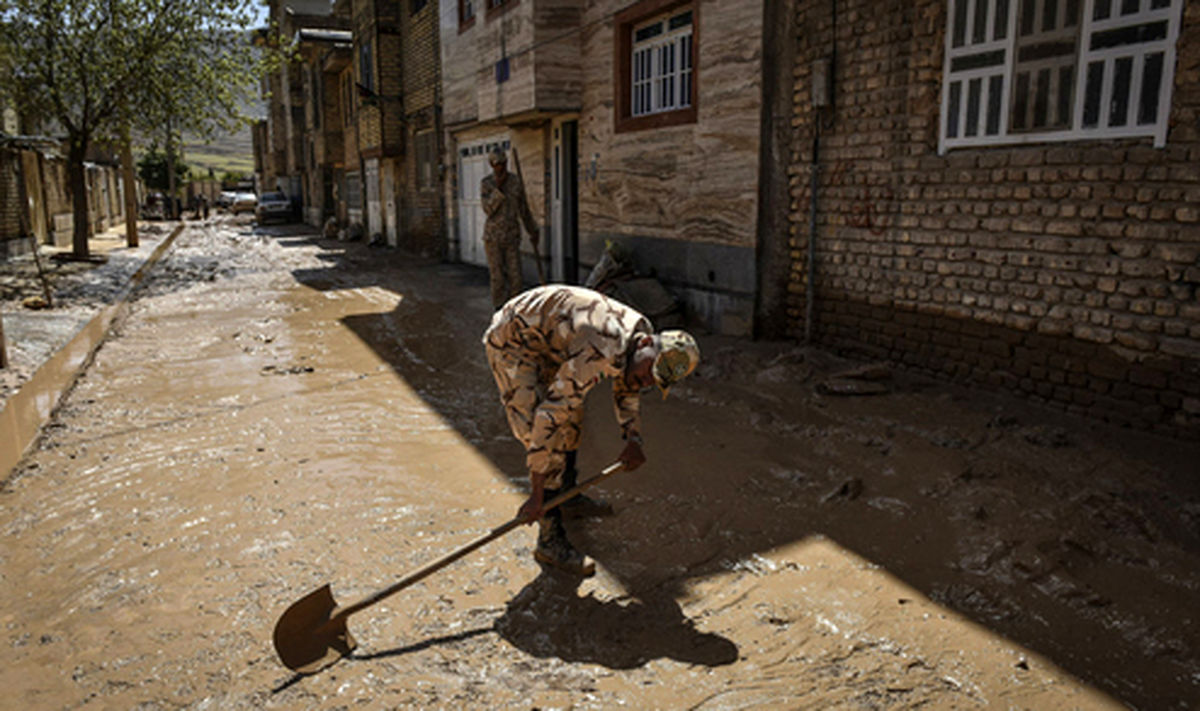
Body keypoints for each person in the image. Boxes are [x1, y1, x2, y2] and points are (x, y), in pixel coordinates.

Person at [483, 285, 701, 576]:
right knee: (542, 428)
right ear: (647, 343)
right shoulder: (602, 348)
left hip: (554, 341)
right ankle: (550, 540)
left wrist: (633, 437)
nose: (648, 381)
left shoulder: (640, 340)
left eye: (656, 380)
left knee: (571, 420)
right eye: (651, 372)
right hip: (514, 342)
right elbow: (548, 419)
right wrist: (536, 494)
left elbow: (629, 385)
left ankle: (568, 494)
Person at [480, 146, 538, 309]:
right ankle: (499, 311)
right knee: (498, 279)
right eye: (497, 164)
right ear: (491, 164)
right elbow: (488, 210)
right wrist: (497, 190)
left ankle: (515, 311)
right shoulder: (487, 184)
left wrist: (532, 229)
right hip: (493, 238)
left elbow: (524, 209)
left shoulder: (515, 181)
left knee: (516, 277)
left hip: (511, 237)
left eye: (504, 163)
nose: (501, 167)